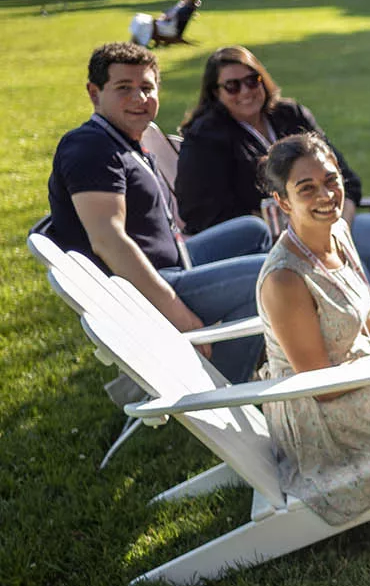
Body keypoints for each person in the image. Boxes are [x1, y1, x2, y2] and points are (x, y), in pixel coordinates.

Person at [45, 42, 269, 384]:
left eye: (147, 88)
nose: (139, 98)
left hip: (170, 264)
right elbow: (108, 240)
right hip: (136, 292)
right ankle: (219, 386)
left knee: (254, 231)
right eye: (124, 88)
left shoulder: (126, 141)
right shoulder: (90, 147)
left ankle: (252, 355)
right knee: (268, 276)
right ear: (94, 93)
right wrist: (181, 315)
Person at [255, 133, 370, 524]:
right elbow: (322, 387)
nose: (326, 195)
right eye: (306, 188)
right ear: (283, 202)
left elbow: (358, 319)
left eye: (331, 180)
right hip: (324, 417)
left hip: (364, 375)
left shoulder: (339, 234)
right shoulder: (284, 279)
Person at [175, 46, 370, 292]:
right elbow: (200, 213)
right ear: (215, 93)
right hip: (269, 242)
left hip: (329, 221)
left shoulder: (289, 115)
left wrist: (337, 229)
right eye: (232, 86)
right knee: (347, 266)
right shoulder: (205, 137)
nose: (246, 91)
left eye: (252, 81)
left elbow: (346, 179)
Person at [129, 0, 201, 47]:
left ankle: (134, 43)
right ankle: (134, 42)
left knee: (142, 22)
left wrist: (163, 17)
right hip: (165, 24)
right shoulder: (181, 4)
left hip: (169, 28)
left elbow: (170, 16)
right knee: (138, 17)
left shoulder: (185, 8)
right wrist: (163, 16)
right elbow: (167, 13)